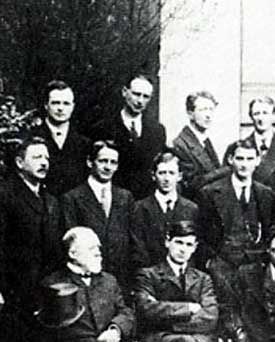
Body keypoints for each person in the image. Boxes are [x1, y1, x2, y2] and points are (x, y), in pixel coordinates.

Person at [0, 137, 63, 342]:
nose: (44, 163)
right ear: (19, 162)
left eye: (47, 158)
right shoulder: (5, 195)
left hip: (45, 294)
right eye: (37, 157)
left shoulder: (50, 200)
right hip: (14, 292)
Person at [195, 139, 275, 304]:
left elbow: (269, 232)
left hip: (256, 267)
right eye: (240, 159)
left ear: (258, 161)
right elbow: (200, 235)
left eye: (250, 159)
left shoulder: (266, 194)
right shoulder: (210, 193)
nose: (245, 165)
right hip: (222, 268)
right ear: (230, 160)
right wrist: (211, 263)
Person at [60, 140, 134, 286]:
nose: (108, 167)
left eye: (113, 162)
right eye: (103, 161)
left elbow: (133, 240)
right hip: (88, 278)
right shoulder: (72, 198)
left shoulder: (125, 197)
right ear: (90, 162)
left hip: (121, 278)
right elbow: (71, 243)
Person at [90, 74, 166, 197]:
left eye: (146, 96)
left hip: (146, 200)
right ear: (125, 92)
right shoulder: (103, 128)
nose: (140, 101)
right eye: (136, 94)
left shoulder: (157, 131)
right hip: (115, 199)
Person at [129, 150, 199, 271]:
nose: (167, 178)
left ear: (179, 176)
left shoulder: (191, 208)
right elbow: (138, 250)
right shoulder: (139, 208)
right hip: (149, 277)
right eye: (162, 173)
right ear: (153, 175)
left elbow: (193, 249)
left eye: (171, 173)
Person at [221, 96, 275, 191]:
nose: (261, 118)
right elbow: (224, 184)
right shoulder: (236, 148)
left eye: (265, 113)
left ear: (273, 115)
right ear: (251, 117)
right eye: (256, 114)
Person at [28, 80, 91, 195]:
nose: (61, 108)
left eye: (66, 103)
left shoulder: (84, 143)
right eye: (55, 103)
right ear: (46, 105)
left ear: (73, 106)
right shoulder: (31, 138)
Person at [172, 91, 221, 198]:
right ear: (190, 114)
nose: (208, 115)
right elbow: (192, 183)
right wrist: (227, 170)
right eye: (203, 110)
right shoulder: (180, 144)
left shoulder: (205, 141)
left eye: (211, 110)